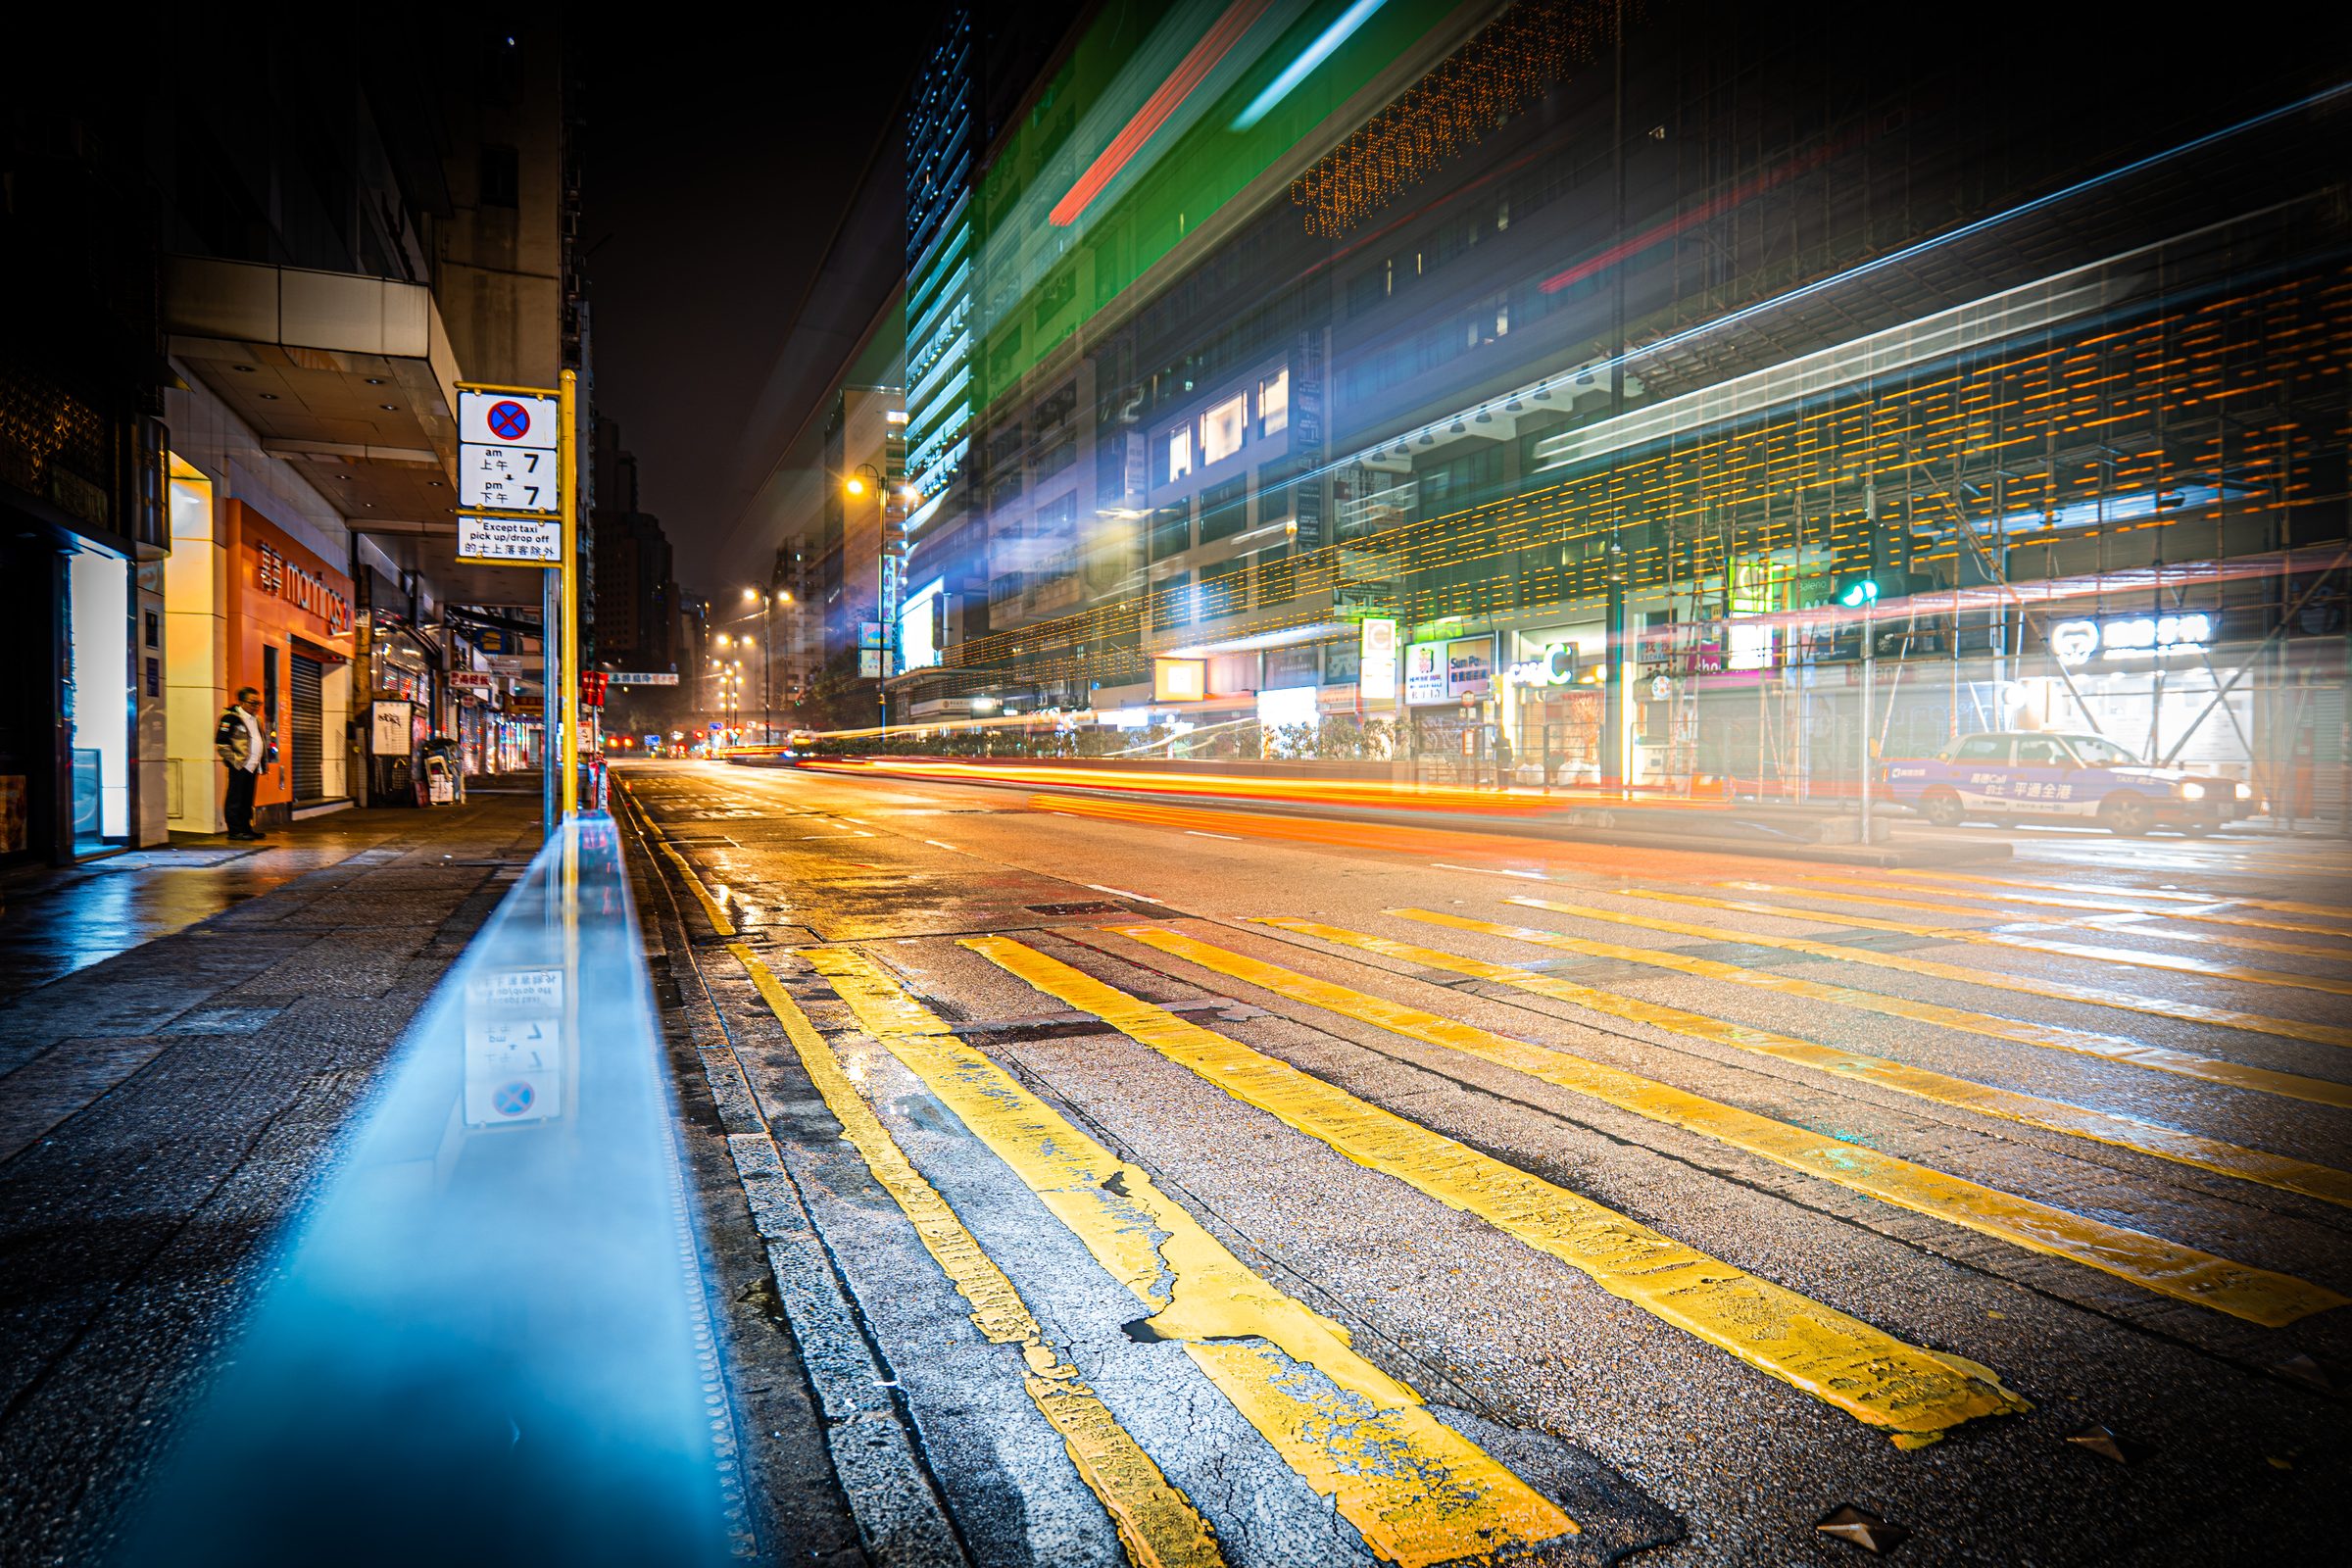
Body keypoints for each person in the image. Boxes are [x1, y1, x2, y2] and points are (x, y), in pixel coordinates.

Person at [215, 686, 269, 841]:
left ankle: (246, 828)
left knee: (247, 799)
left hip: (253, 765)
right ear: (241, 702)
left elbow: (260, 741)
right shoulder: (230, 718)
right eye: (252, 703)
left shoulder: (256, 720)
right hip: (240, 765)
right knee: (235, 799)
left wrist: (261, 763)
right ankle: (235, 831)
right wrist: (236, 761)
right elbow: (221, 743)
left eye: (258, 703)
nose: (256, 706)